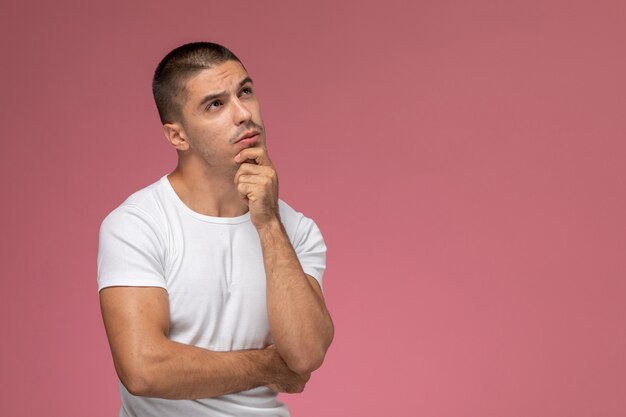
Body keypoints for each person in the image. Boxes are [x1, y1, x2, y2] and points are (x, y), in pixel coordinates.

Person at [96, 41, 334, 417]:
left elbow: (304, 354)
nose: (243, 114)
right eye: (215, 104)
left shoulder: (295, 229)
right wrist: (268, 366)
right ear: (178, 136)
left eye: (246, 92)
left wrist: (268, 222)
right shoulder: (138, 224)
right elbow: (143, 369)